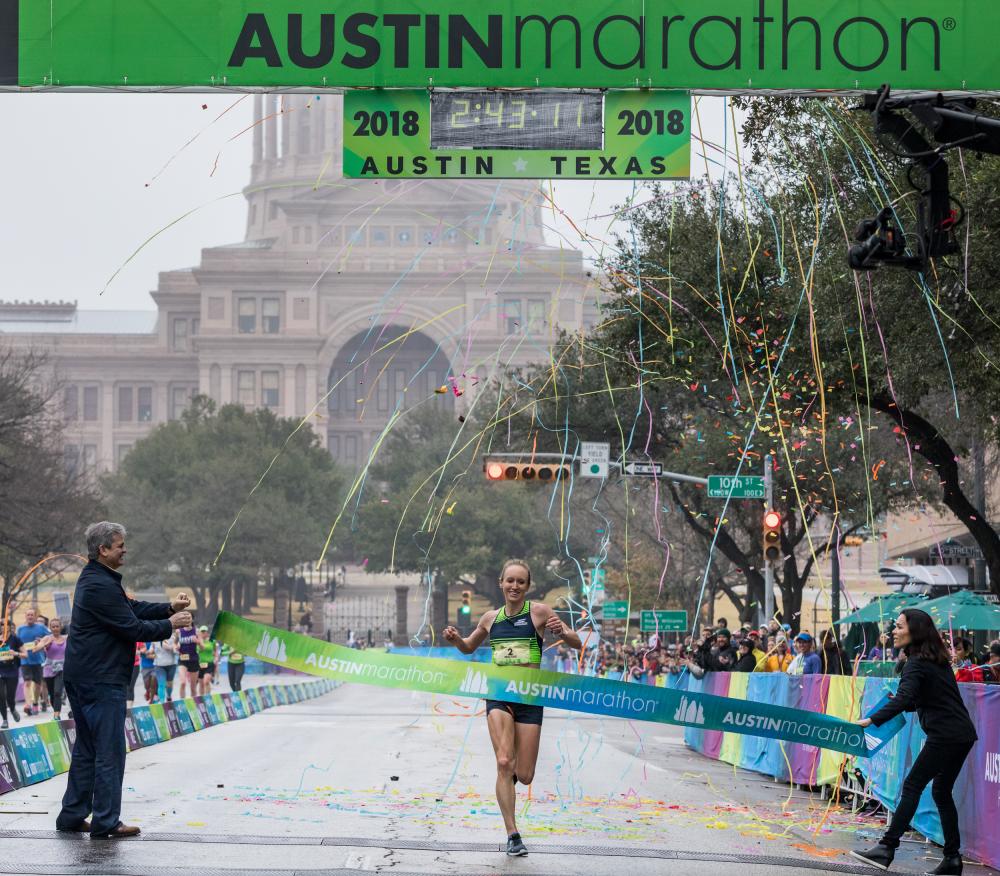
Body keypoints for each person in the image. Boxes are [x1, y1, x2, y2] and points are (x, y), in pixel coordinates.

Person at [56, 521, 192, 839]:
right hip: (101, 679)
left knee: (87, 749)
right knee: (109, 751)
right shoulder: (100, 585)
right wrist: (170, 624)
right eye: (119, 545)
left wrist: (169, 607)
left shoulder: (98, 579)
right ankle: (105, 821)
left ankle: (72, 815)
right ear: (103, 550)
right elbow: (132, 628)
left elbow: (133, 608)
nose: (124, 550)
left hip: (85, 675)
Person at [442, 558, 581, 858]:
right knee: (504, 761)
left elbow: (577, 642)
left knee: (525, 774)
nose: (515, 586)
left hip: (530, 698)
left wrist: (562, 632)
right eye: (510, 581)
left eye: (521, 582)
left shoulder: (541, 612)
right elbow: (468, 647)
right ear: (501, 584)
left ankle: (513, 774)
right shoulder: (490, 618)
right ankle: (512, 835)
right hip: (499, 695)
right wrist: (455, 640)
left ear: (527, 586)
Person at [852, 609, 978, 876]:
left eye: (898, 626)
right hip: (961, 734)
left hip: (945, 734)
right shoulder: (934, 659)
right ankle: (952, 860)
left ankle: (886, 848)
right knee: (940, 792)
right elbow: (915, 699)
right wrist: (895, 705)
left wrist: (872, 719)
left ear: (915, 630)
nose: (892, 631)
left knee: (912, 785)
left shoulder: (917, 663)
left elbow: (904, 699)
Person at [16, 608, 51, 716]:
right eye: (28, 615)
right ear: (25, 616)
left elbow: (50, 637)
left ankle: (35, 702)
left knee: (37, 684)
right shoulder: (20, 629)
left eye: (32, 615)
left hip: (38, 660)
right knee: (27, 682)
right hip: (25, 660)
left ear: (35, 616)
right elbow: (18, 643)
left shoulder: (41, 627)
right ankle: (28, 704)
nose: (30, 617)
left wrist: (41, 641)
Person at [0, 623, 25, 728]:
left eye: (4, 624)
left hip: (12, 671)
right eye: (0, 625)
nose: (2, 627)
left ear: (9, 627)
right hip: (0, 671)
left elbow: (25, 654)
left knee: (10, 697)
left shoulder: (15, 639)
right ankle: (5, 720)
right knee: (1, 696)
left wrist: (15, 653)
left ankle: (13, 708)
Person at [43, 618, 68, 720]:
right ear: (50, 628)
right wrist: (43, 644)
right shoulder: (47, 639)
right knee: (52, 693)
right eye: (53, 627)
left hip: (62, 669)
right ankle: (56, 710)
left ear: (60, 627)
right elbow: (36, 648)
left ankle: (56, 715)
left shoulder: (66, 638)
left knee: (58, 692)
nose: (55, 628)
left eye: (57, 626)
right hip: (49, 669)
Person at [177, 622, 200, 699]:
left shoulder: (196, 631)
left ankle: (194, 705)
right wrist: (176, 646)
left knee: (193, 687)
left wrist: (197, 641)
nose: (187, 620)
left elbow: (203, 646)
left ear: (191, 620)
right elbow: (174, 644)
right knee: (183, 682)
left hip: (194, 660)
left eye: (189, 618)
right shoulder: (178, 631)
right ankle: (182, 703)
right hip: (182, 660)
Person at [153, 635, 178, 702]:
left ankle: (169, 696)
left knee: (169, 684)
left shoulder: (173, 637)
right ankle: (162, 702)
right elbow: (151, 650)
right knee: (161, 684)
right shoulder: (155, 638)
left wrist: (172, 647)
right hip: (159, 665)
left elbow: (177, 650)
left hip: (171, 664)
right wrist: (149, 653)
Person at [196, 626, 218, 696]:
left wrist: (216, 658)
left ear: (207, 632)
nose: (203, 633)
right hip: (200, 664)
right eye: (201, 631)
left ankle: (208, 696)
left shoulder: (212, 641)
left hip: (209, 663)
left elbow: (215, 651)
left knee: (206, 681)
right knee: (201, 684)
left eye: (204, 631)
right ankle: (201, 699)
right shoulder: (197, 641)